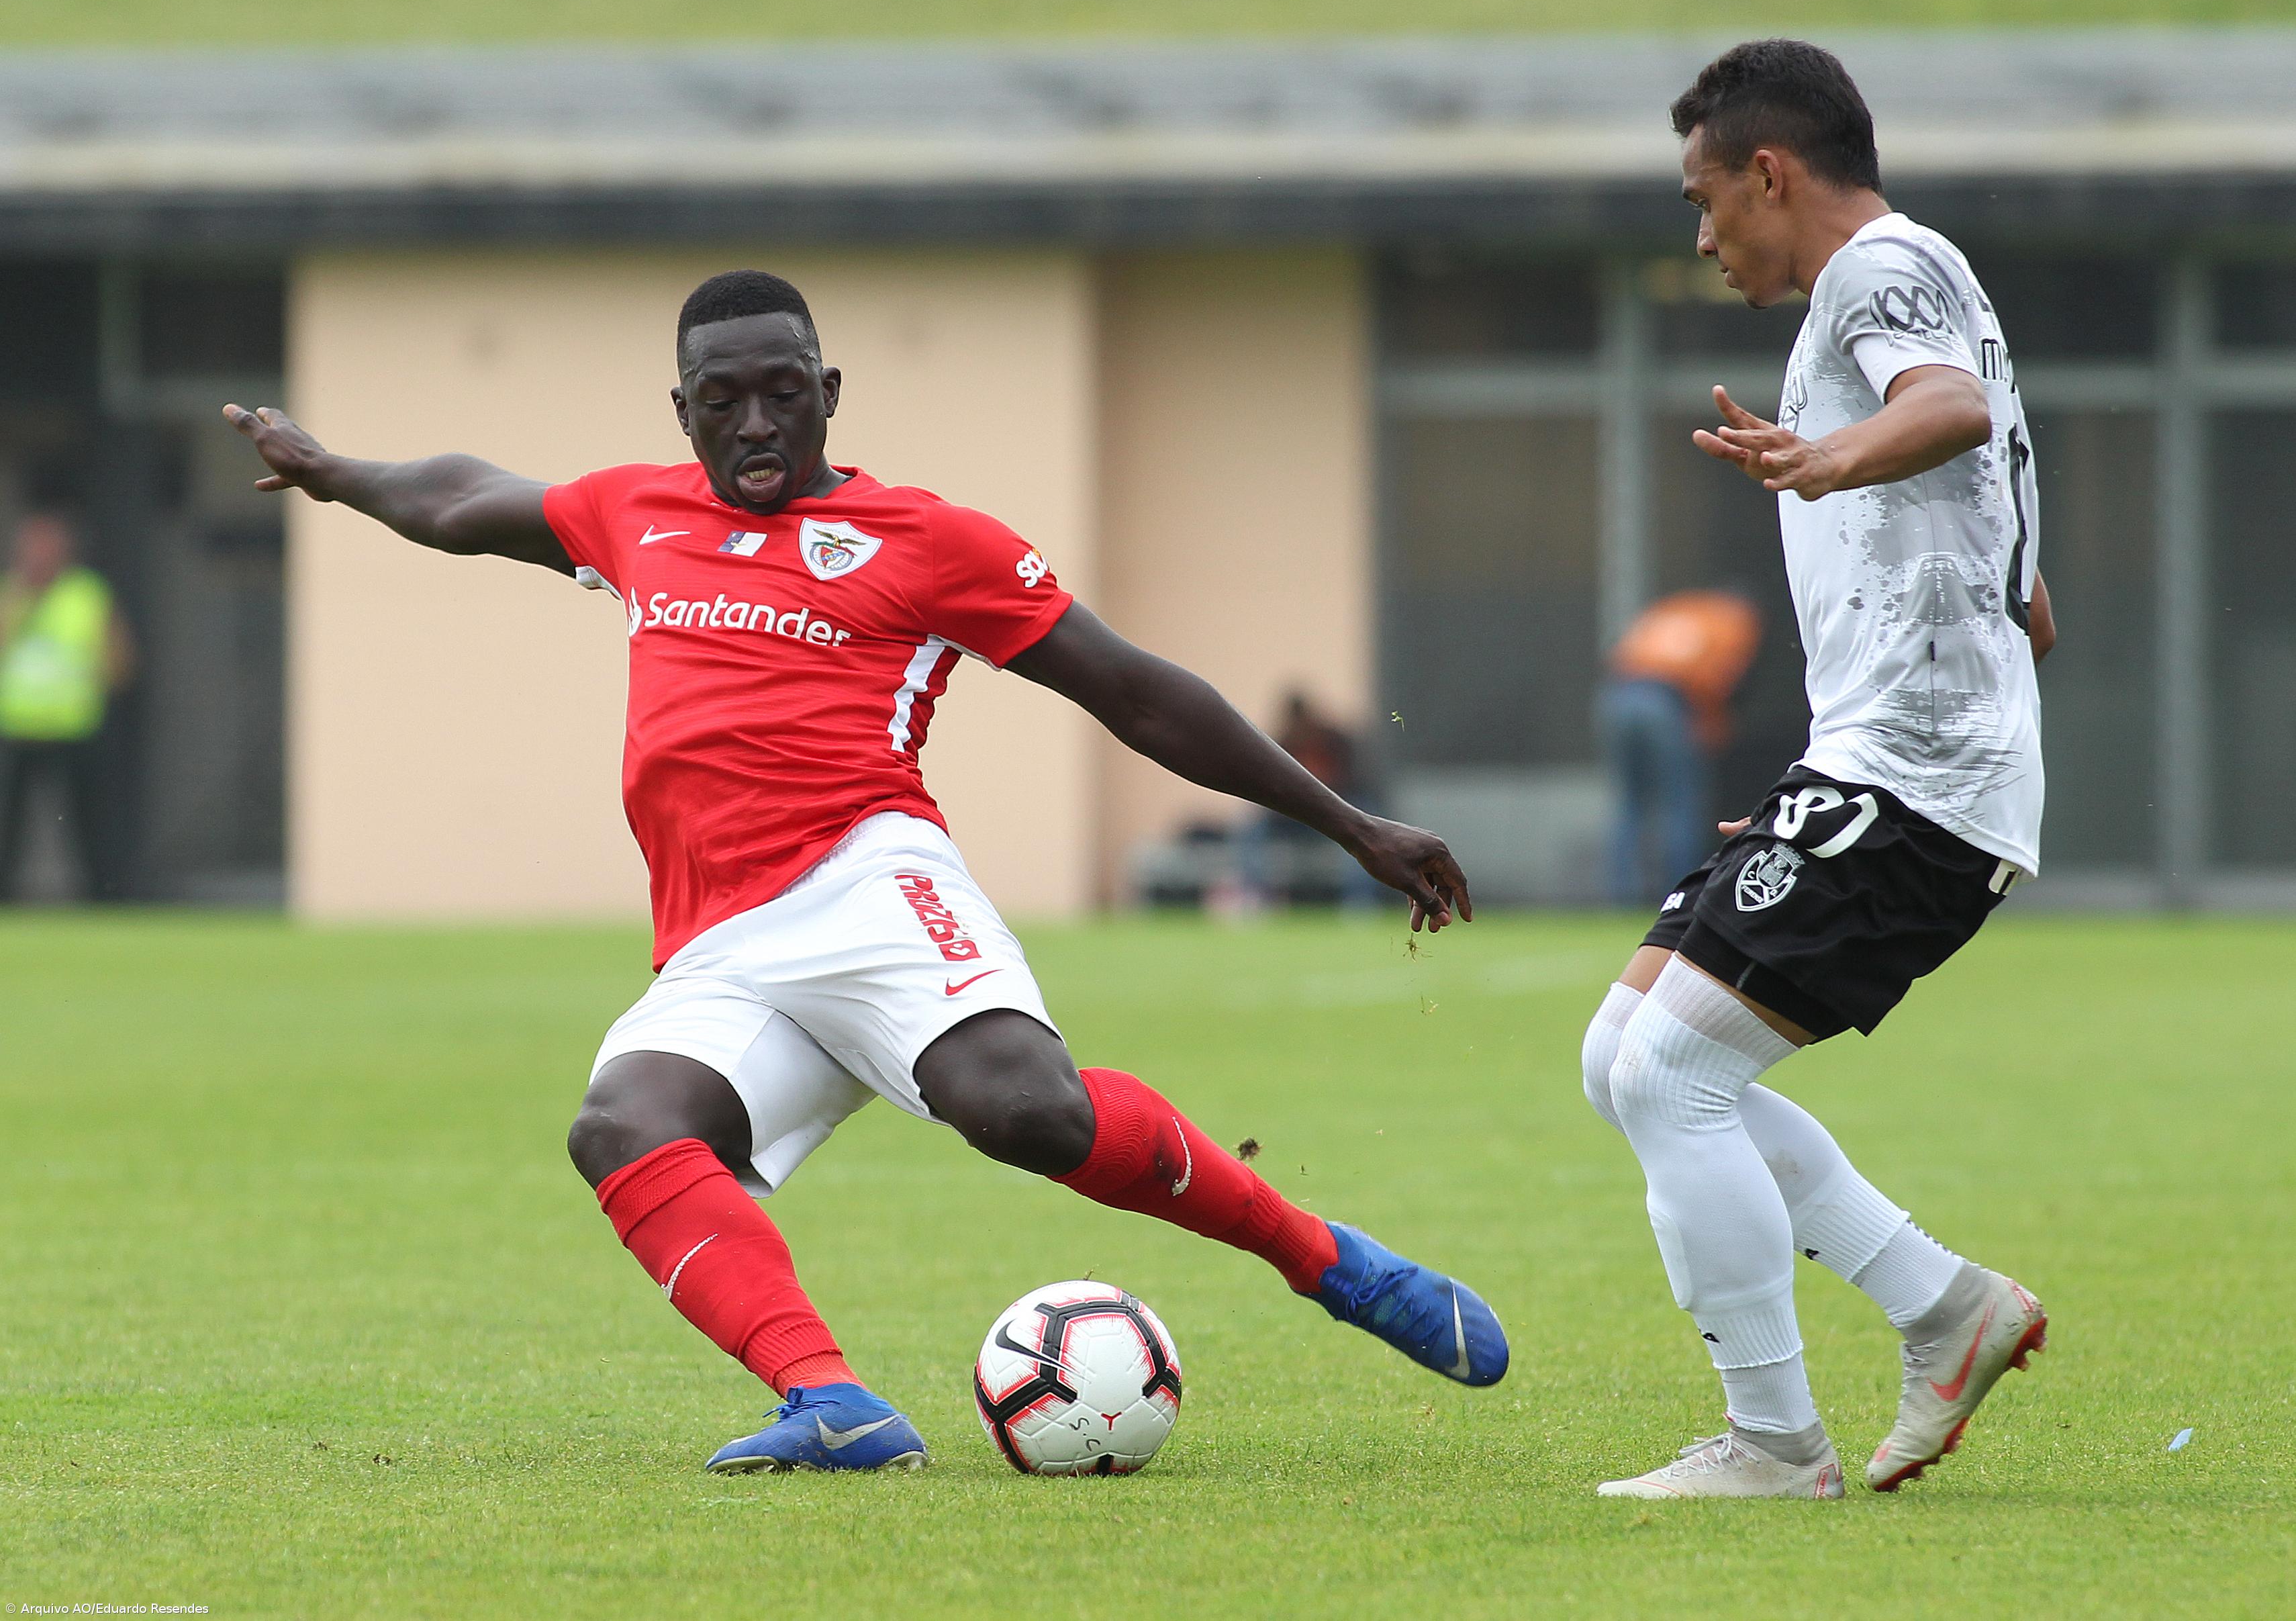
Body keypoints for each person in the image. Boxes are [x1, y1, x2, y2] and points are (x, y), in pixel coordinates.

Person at [222, 269, 1502, 1477]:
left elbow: (1135, 690)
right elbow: (461, 498)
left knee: (1027, 1112)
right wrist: (335, 472)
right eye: (722, 400)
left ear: (831, 390)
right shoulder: (634, 510)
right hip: (722, 945)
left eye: (785, 388)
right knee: (620, 1124)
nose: (758, 421)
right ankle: (829, 1401)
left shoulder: (928, 539)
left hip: (867, 881)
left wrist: (1350, 824)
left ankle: (1328, 1259)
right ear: (684, 411)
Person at [1578, 40, 2058, 1500]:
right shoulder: (1904, 283)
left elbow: (1948, 409)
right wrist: (1830, 772)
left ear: (1770, 173)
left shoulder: (1882, 270)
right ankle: (1940, 1305)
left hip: (1919, 779)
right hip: (1886, 766)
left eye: (1706, 199)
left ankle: (1778, 1447)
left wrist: (1824, 461)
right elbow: (2027, 594)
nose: (1704, 234)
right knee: (1625, 1060)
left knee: (1672, 1075)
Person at [0, 511, 134, 900]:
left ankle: (103, 901)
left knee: (90, 825)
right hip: (17, 729)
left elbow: (121, 663)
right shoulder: (9, 593)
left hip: (76, 729)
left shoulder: (88, 594)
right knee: (9, 827)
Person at [1601, 590, 1762, 904]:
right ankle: (1680, 896)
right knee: (1680, 802)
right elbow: (1717, 681)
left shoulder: (1675, 607)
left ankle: (1621, 897)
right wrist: (1713, 724)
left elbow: (1619, 655)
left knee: (1631, 804)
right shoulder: (1734, 621)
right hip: (1667, 701)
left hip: (1620, 697)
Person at [1235, 688, 1382, 910]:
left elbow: (1356, 782)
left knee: (1367, 828)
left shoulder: (1335, 742)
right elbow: (1268, 787)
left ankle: (1360, 903)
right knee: (1252, 833)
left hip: (1335, 815)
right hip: (1294, 818)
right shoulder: (1279, 746)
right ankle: (1257, 897)